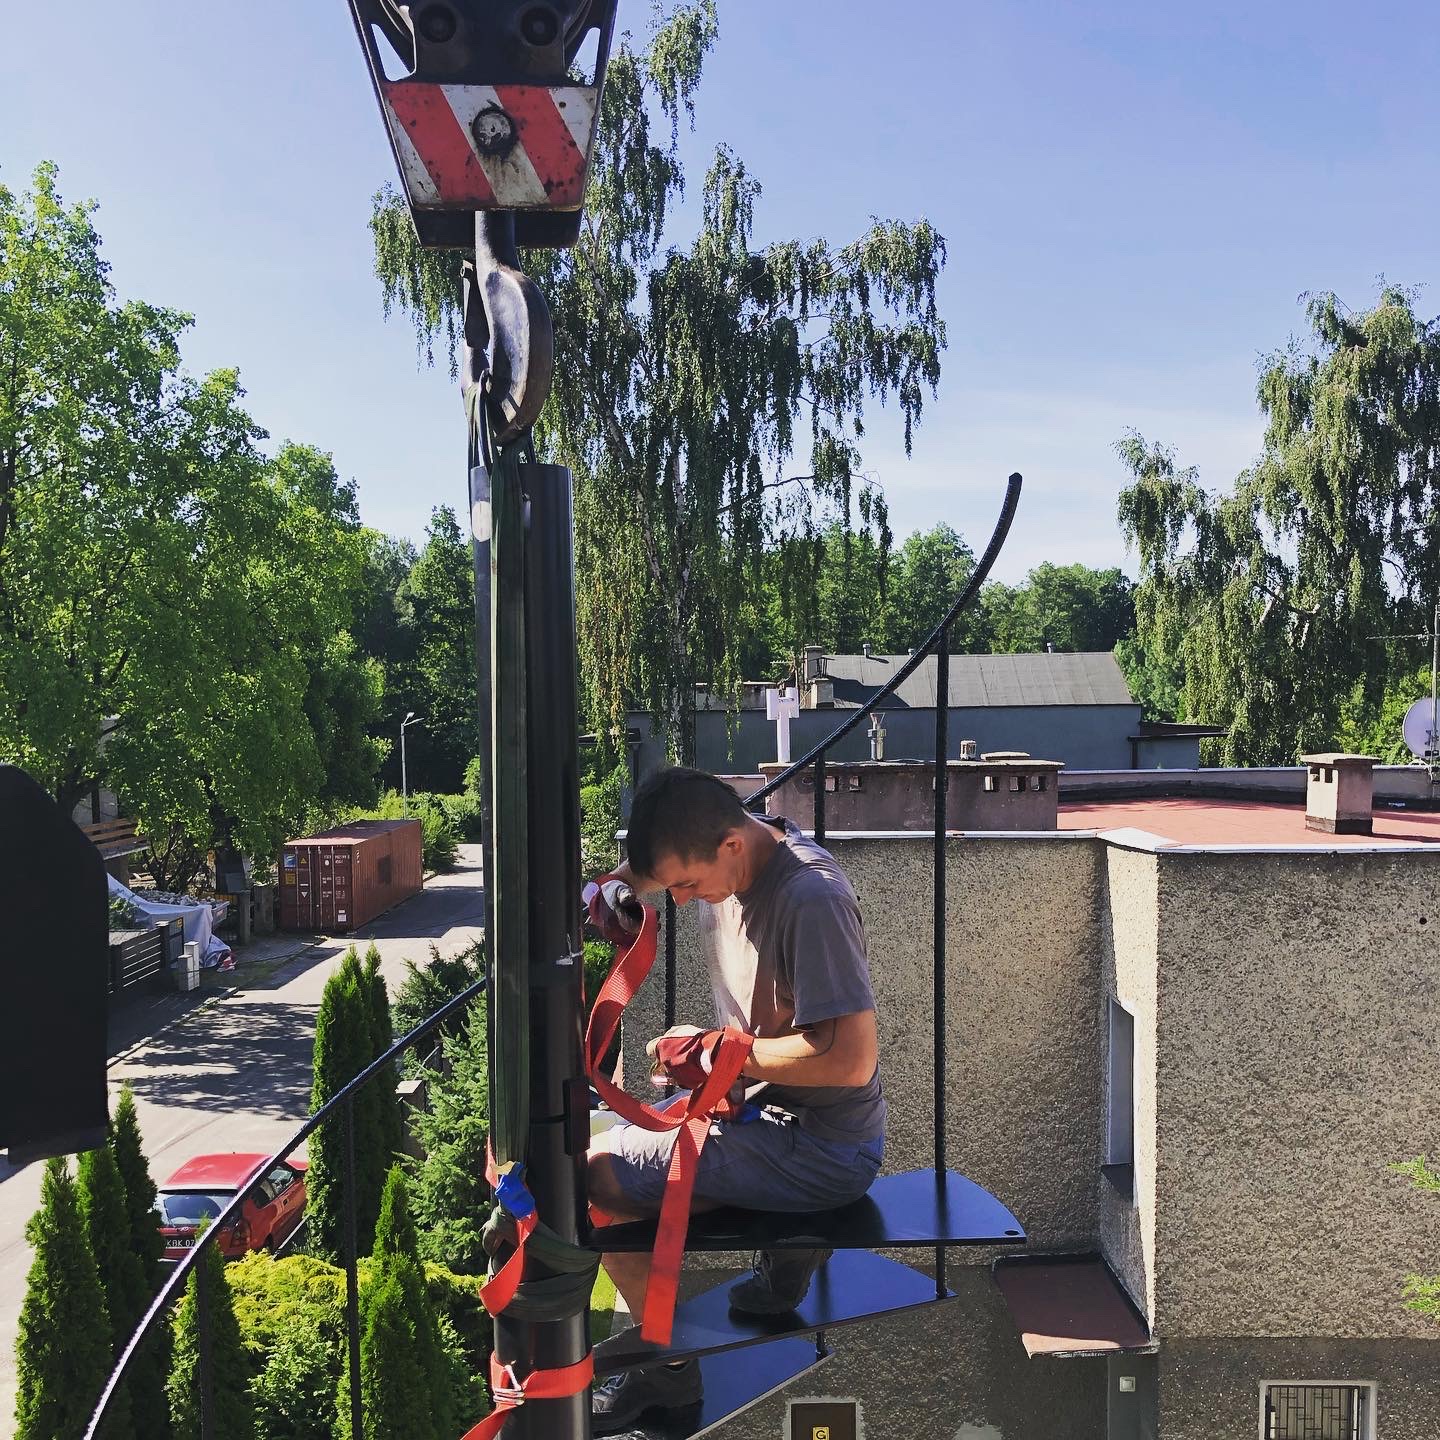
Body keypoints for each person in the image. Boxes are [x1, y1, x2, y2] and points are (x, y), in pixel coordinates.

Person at [585, 766, 887, 1435]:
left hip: (823, 1147)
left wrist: (719, 1053)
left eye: (687, 886)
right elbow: (656, 863)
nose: (681, 900)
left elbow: (851, 1059)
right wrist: (609, 889)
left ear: (730, 846)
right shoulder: (728, 846)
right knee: (604, 1160)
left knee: (590, 1178)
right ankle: (789, 1242)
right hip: (759, 1114)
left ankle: (668, 1370)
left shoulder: (811, 899)